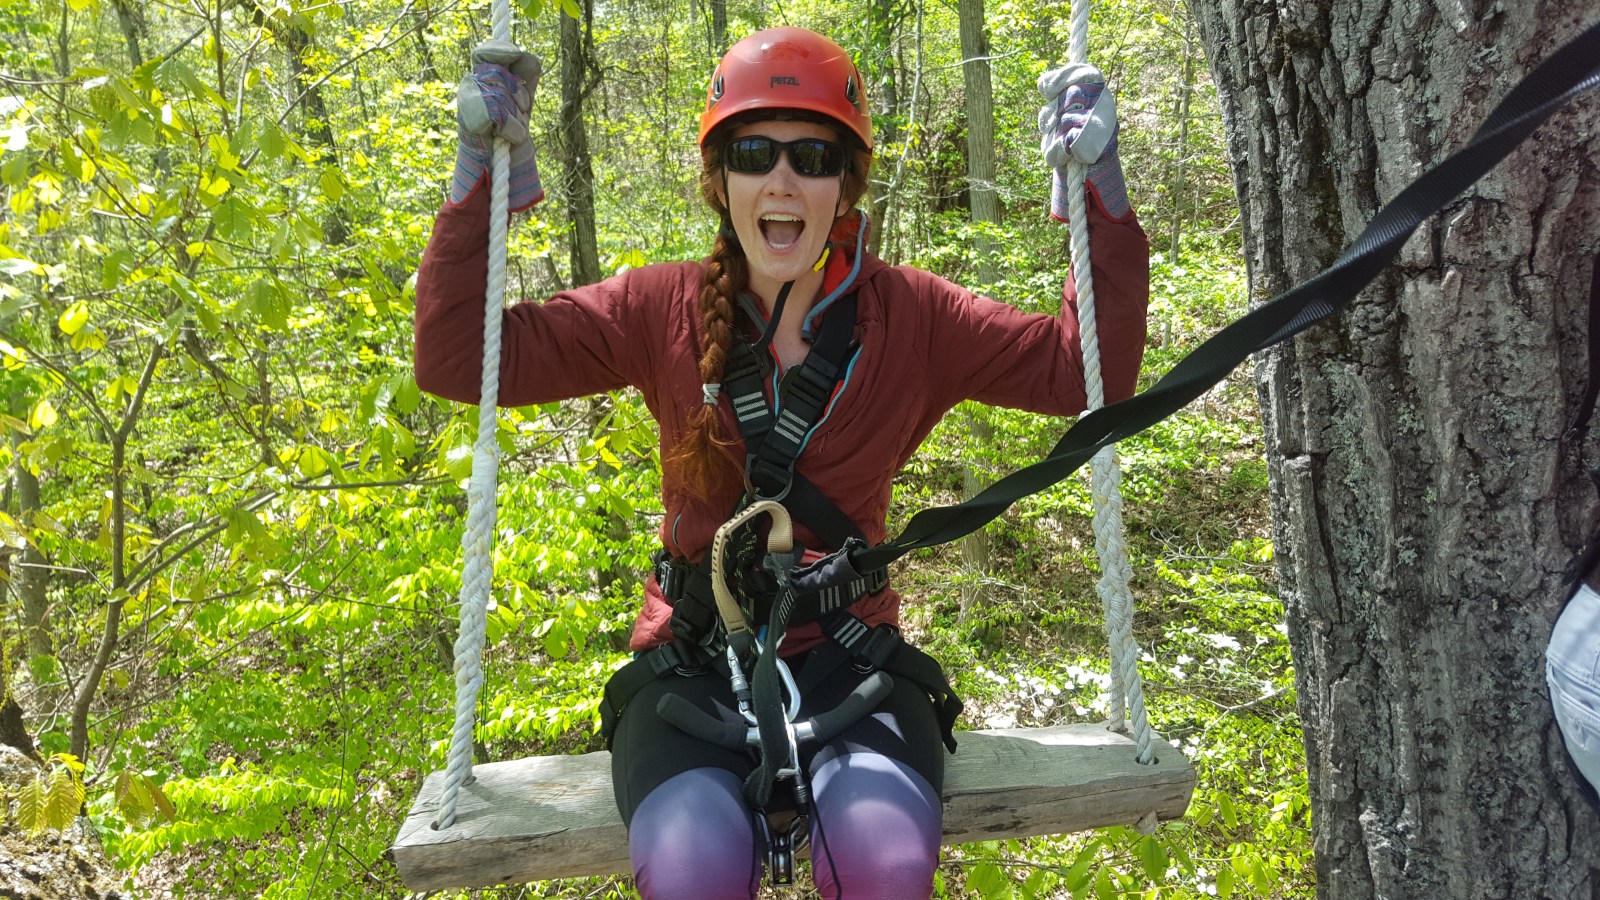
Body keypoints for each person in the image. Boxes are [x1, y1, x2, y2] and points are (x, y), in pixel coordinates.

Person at [415, 26, 1149, 900]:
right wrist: (476, 181)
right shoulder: (661, 309)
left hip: (851, 657)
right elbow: (461, 358)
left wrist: (1100, 195)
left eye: (814, 156)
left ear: (847, 184)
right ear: (720, 180)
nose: (784, 180)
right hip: (693, 662)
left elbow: (1080, 370)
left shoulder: (912, 316)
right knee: (692, 867)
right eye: (755, 152)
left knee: (882, 860)